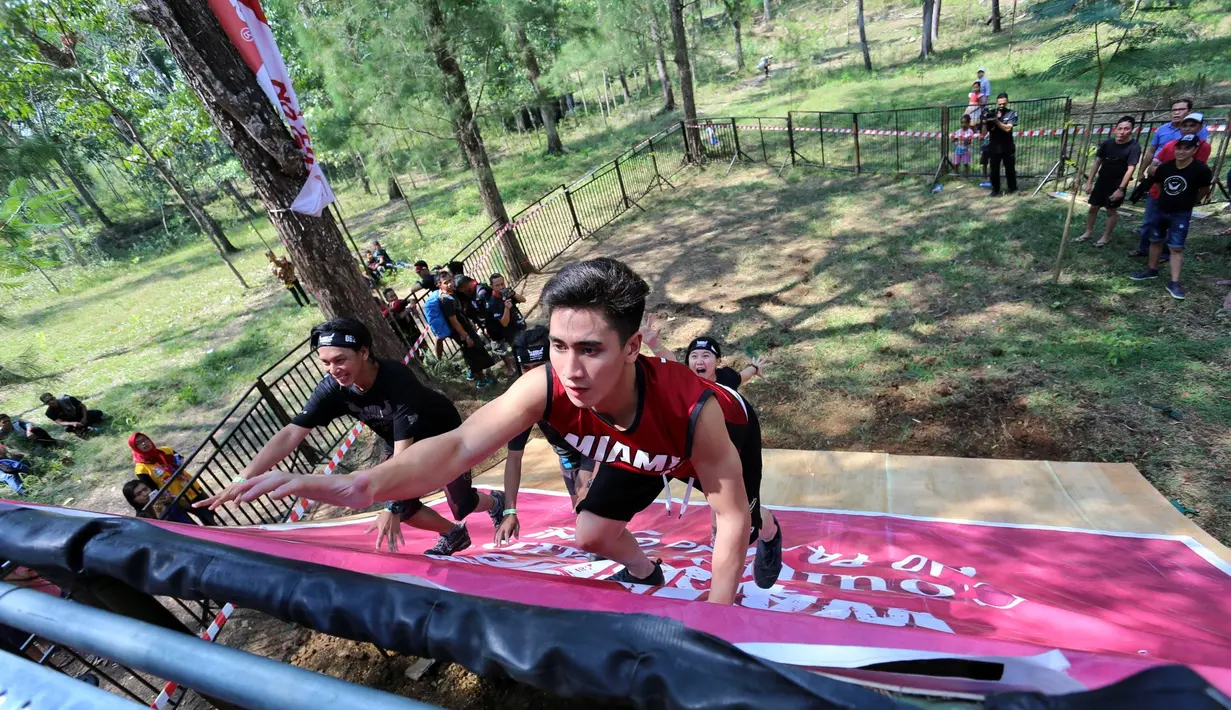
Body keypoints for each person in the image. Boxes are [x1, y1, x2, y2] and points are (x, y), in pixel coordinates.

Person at [200, 258, 785, 605]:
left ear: (634, 348)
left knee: (749, 521)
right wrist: (365, 486)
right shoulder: (546, 385)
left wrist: (716, 618)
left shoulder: (697, 411)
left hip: (720, 442)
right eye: (558, 346)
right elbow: (456, 447)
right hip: (637, 456)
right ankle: (645, 571)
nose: (571, 370)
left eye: (590, 350)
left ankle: (775, 529)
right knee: (590, 535)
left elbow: (726, 516)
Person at [249, 318, 504, 554]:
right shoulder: (333, 388)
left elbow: (405, 459)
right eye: (325, 362)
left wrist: (391, 506)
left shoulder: (396, 378)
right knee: (404, 508)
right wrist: (243, 478)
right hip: (397, 440)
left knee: (461, 505)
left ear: (364, 352)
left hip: (441, 435)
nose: (333, 370)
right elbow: (292, 432)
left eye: (340, 360)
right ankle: (453, 534)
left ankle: (495, 502)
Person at [494, 326, 596, 546]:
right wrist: (510, 510)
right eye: (526, 368)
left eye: (541, 367)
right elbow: (514, 457)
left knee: (587, 497)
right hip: (567, 451)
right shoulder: (523, 396)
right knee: (582, 512)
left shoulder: (580, 377)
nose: (534, 376)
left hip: (601, 443)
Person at [1129, 135, 1212, 301]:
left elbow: (1204, 189)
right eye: (1179, 147)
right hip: (1161, 209)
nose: (1181, 151)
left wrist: (1192, 202)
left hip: (1181, 213)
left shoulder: (1200, 170)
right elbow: (1159, 184)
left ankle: (1174, 282)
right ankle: (1151, 269)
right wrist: (1162, 200)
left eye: (1187, 148)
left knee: (1176, 247)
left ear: (1195, 150)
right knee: (1156, 240)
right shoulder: (1165, 167)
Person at [1131, 112, 1212, 260]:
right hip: (1160, 190)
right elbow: (1155, 164)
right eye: (1185, 125)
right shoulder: (1170, 145)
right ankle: (1144, 249)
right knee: (1149, 221)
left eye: (1192, 125)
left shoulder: (1203, 148)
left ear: (1200, 127)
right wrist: (1149, 172)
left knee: (1172, 227)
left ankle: (1165, 253)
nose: (1188, 128)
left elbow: (1199, 177)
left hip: (1182, 196)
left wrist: (1193, 200)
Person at [1075, 116, 1141, 248]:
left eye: (1126, 129)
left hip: (1117, 183)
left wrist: (1121, 189)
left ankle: (1106, 236)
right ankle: (1088, 232)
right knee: (1093, 207)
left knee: (1111, 210)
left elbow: (1131, 169)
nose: (1122, 132)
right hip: (1102, 180)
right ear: (1115, 129)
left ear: (1132, 130)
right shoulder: (1107, 144)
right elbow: (1097, 162)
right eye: (1120, 128)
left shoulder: (1134, 147)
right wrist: (1089, 182)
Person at [129, 432, 218, 526]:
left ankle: (216, 531)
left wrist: (176, 466)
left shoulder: (165, 450)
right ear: (135, 448)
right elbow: (153, 489)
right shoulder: (141, 469)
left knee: (210, 509)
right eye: (138, 443)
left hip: (192, 486)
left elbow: (181, 460)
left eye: (144, 439)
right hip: (179, 497)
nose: (144, 443)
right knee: (203, 515)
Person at [439, 273, 497, 388]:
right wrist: (465, 336)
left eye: (450, 280)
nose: (450, 284)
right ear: (439, 285)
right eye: (446, 282)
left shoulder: (452, 295)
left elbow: (461, 314)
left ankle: (486, 378)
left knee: (479, 351)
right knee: (474, 357)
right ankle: (481, 382)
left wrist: (470, 324)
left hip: (467, 330)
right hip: (463, 334)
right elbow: (454, 321)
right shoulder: (445, 300)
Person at [487, 273, 528, 376]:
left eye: (502, 284)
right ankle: (524, 376)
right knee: (521, 356)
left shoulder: (506, 294)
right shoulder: (493, 303)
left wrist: (513, 294)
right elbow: (504, 323)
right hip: (511, 333)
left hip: (520, 325)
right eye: (497, 285)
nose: (501, 287)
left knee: (528, 350)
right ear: (491, 286)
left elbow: (523, 300)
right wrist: (507, 308)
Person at [983, 92, 1018, 196]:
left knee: (1010, 169)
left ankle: (1012, 188)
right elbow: (984, 133)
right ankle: (995, 189)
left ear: (1007, 102)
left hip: (1007, 146)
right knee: (994, 170)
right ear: (996, 103)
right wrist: (985, 121)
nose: (1001, 106)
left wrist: (996, 121)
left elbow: (1008, 128)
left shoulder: (1011, 113)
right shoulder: (992, 113)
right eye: (1000, 104)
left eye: (1004, 104)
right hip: (994, 147)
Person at [122, 479, 194, 524]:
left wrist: (173, 499)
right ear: (134, 500)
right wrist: (159, 513)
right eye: (138, 494)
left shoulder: (162, 496)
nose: (145, 494)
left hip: (195, 529)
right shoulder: (142, 518)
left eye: (145, 489)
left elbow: (190, 506)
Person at [40, 392, 104, 438]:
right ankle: (83, 429)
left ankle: (86, 425)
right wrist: (72, 423)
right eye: (48, 401)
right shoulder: (49, 412)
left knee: (98, 413)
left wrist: (84, 418)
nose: (51, 402)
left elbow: (83, 406)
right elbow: (59, 422)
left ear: (54, 398)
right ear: (46, 404)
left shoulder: (68, 399)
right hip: (71, 421)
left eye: (51, 399)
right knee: (67, 429)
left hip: (80, 415)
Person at [0, 414, 64, 448]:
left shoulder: (17, 424)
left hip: (32, 439)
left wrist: (28, 431)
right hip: (22, 447)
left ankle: (53, 442)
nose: (7, 423)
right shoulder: (1, 434)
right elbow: (2, 445)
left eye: (8, 421)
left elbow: (28, 424)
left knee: (37, 430)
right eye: (4, 422)